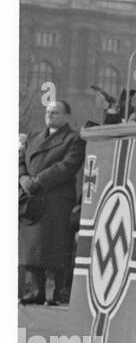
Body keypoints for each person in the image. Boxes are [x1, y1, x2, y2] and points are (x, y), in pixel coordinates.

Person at [19, 101, 86, 306]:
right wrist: (22, 178)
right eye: (48, 112)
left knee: (54, 248)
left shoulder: (74, 139)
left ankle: (54, 294)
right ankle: (33, 292)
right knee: (31, 248)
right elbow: (20, 159)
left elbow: (67, 166)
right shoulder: (33, 136)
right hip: (30, 199)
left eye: (55, 113)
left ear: (66, 116)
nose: (50, 115)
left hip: (55, 200)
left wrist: (38, 180)